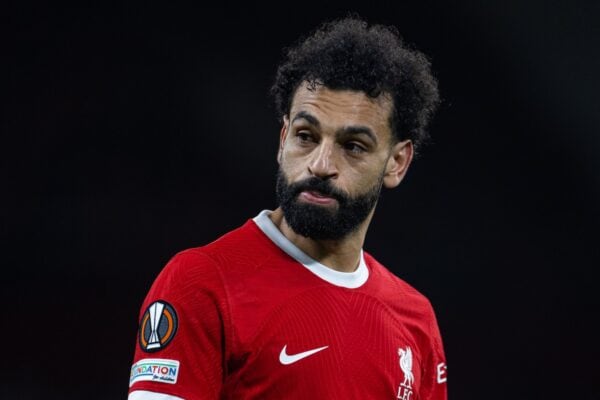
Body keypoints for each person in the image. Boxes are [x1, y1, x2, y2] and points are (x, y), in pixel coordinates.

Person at [128, 16, 447, 400]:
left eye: (353, 146)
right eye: (306, 137)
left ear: (397, 163)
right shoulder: (201, 283)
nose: (321, 164)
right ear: (283, 140)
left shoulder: (415, 321)